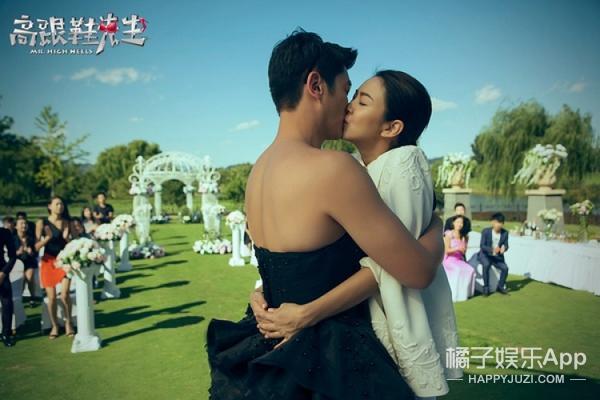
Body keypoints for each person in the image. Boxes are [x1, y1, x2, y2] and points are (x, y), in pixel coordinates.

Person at [206, 30, 444, 399]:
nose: (347, 105)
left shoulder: (259, 171)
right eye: (346, 90)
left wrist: (262, 293)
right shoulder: (335, 169)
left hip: (267, 341)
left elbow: (290, 267)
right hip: (329, 357)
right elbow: (418, 271)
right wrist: (435, 225)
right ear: (316, 86)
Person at [250, 70, 462, 398]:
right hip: (353, 323)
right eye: (352, 96)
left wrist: (307, 313)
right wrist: (267, 288)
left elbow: (394, 267)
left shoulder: (401, 165)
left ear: (391, 128)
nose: (349, 106)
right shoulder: (358, 168)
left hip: (385, 323)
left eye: (362, 101)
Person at [35, 196, 74, 339]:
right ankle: (55, 326)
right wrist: (47, 238)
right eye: (57, 204)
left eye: (61, 204)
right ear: (49, 206)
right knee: (51, 298)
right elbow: (36, 247)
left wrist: (67, 238)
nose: (60, 206)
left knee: (64, 294)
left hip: (63, 261)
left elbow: (73, 244)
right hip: (48, 262)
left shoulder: (67, 222)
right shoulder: (42, 222)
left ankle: (69, 323)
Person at [442, 215, 476, 302]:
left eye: (461, 223)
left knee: (470, 270)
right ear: (453, 223)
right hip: (449, 259)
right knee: (458, 270)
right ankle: (455, 294)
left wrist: (464, 248)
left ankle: (465, 293)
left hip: (459, 259)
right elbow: (446, 250)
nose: (459, 224)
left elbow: (463, 251)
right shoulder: (449, 234)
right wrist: (457, 248)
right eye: (457, 222)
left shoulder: (464, 236)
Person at [478, 213, 510, 296]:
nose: (498, 225)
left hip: (497, 257)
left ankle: (500, 286)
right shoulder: (486, 231)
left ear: (503, 224)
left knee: (505, 268)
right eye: (496, 222)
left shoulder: (505, 233)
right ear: (492, 222)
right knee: (486, 265)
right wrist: (492, 249)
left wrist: (504, 248)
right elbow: (482, 246)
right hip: (485, 255)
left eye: (500, 223)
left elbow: (506, 245)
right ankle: (486, 287)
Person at [14, 218, 39, 306]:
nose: (24, 225)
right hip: (17, 263)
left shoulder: (31, 238)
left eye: (25, 223)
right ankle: (19, 298)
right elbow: (9, 253)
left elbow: (36, 252)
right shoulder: (13, 239)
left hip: (29, 262)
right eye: (21, 224)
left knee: (29, 277)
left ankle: (32, 298)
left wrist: (31, 252)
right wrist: (18, 252)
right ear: (16, 226)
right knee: (21, 279)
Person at [0, 226, 17, 347]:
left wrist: (3, 273)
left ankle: (6, 333)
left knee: (7, 303)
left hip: (2, 272)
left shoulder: (4, 232)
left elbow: (13, 256)